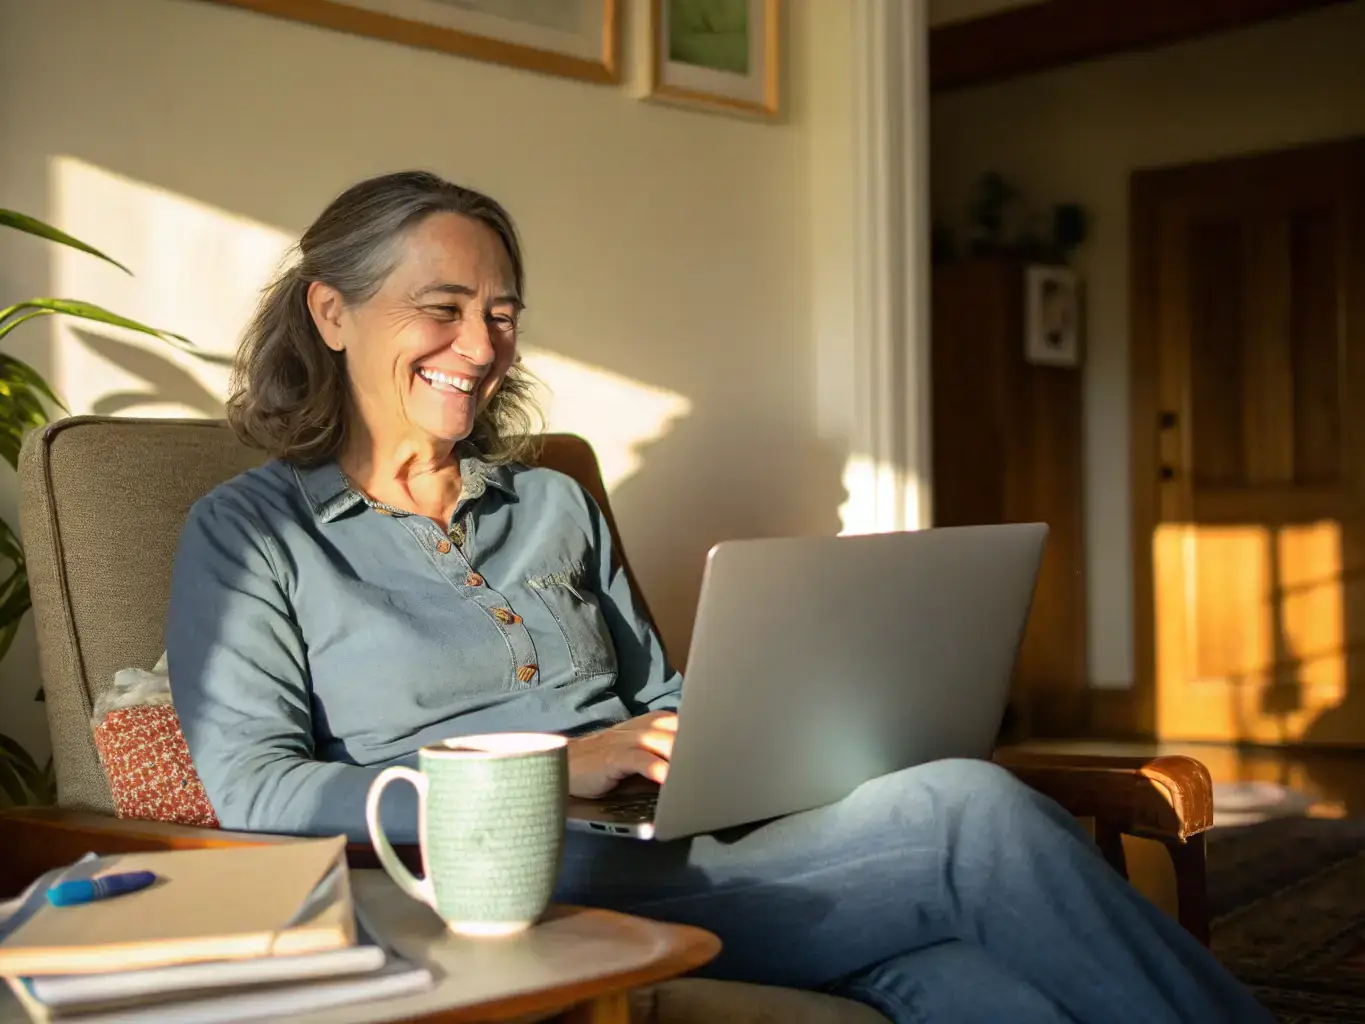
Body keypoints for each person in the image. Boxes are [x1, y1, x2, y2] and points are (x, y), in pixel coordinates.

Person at [167, 171, 1272, 1024]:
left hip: (680, 848)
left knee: (967, 980)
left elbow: (660, 698)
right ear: (331, 312)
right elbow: (255, 789)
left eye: (501, 313)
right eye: (441, 307)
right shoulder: (253, 531)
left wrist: (776, 732)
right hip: (498, 886)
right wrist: (553, 767)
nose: (480, 345)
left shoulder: (551, 499)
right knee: (964, 814)